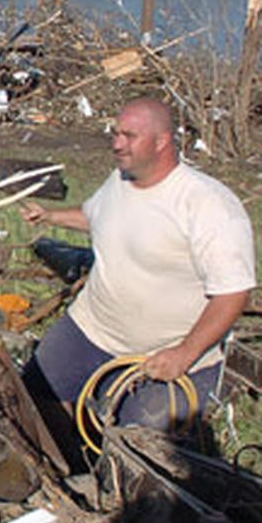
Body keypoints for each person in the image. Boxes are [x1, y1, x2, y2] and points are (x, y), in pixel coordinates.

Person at [20, 96, 255, 438]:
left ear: (161, 142)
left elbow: (234, 292)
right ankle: (63, 460)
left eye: (129, 136)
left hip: (163, 353)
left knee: (138, 444)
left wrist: (184, 354)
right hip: (91, 329)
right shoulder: (121, 180)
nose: (117, 144)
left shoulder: (208, 205)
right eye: (115, 134)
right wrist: (51, 215)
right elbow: (96, 216)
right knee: (31, 396)